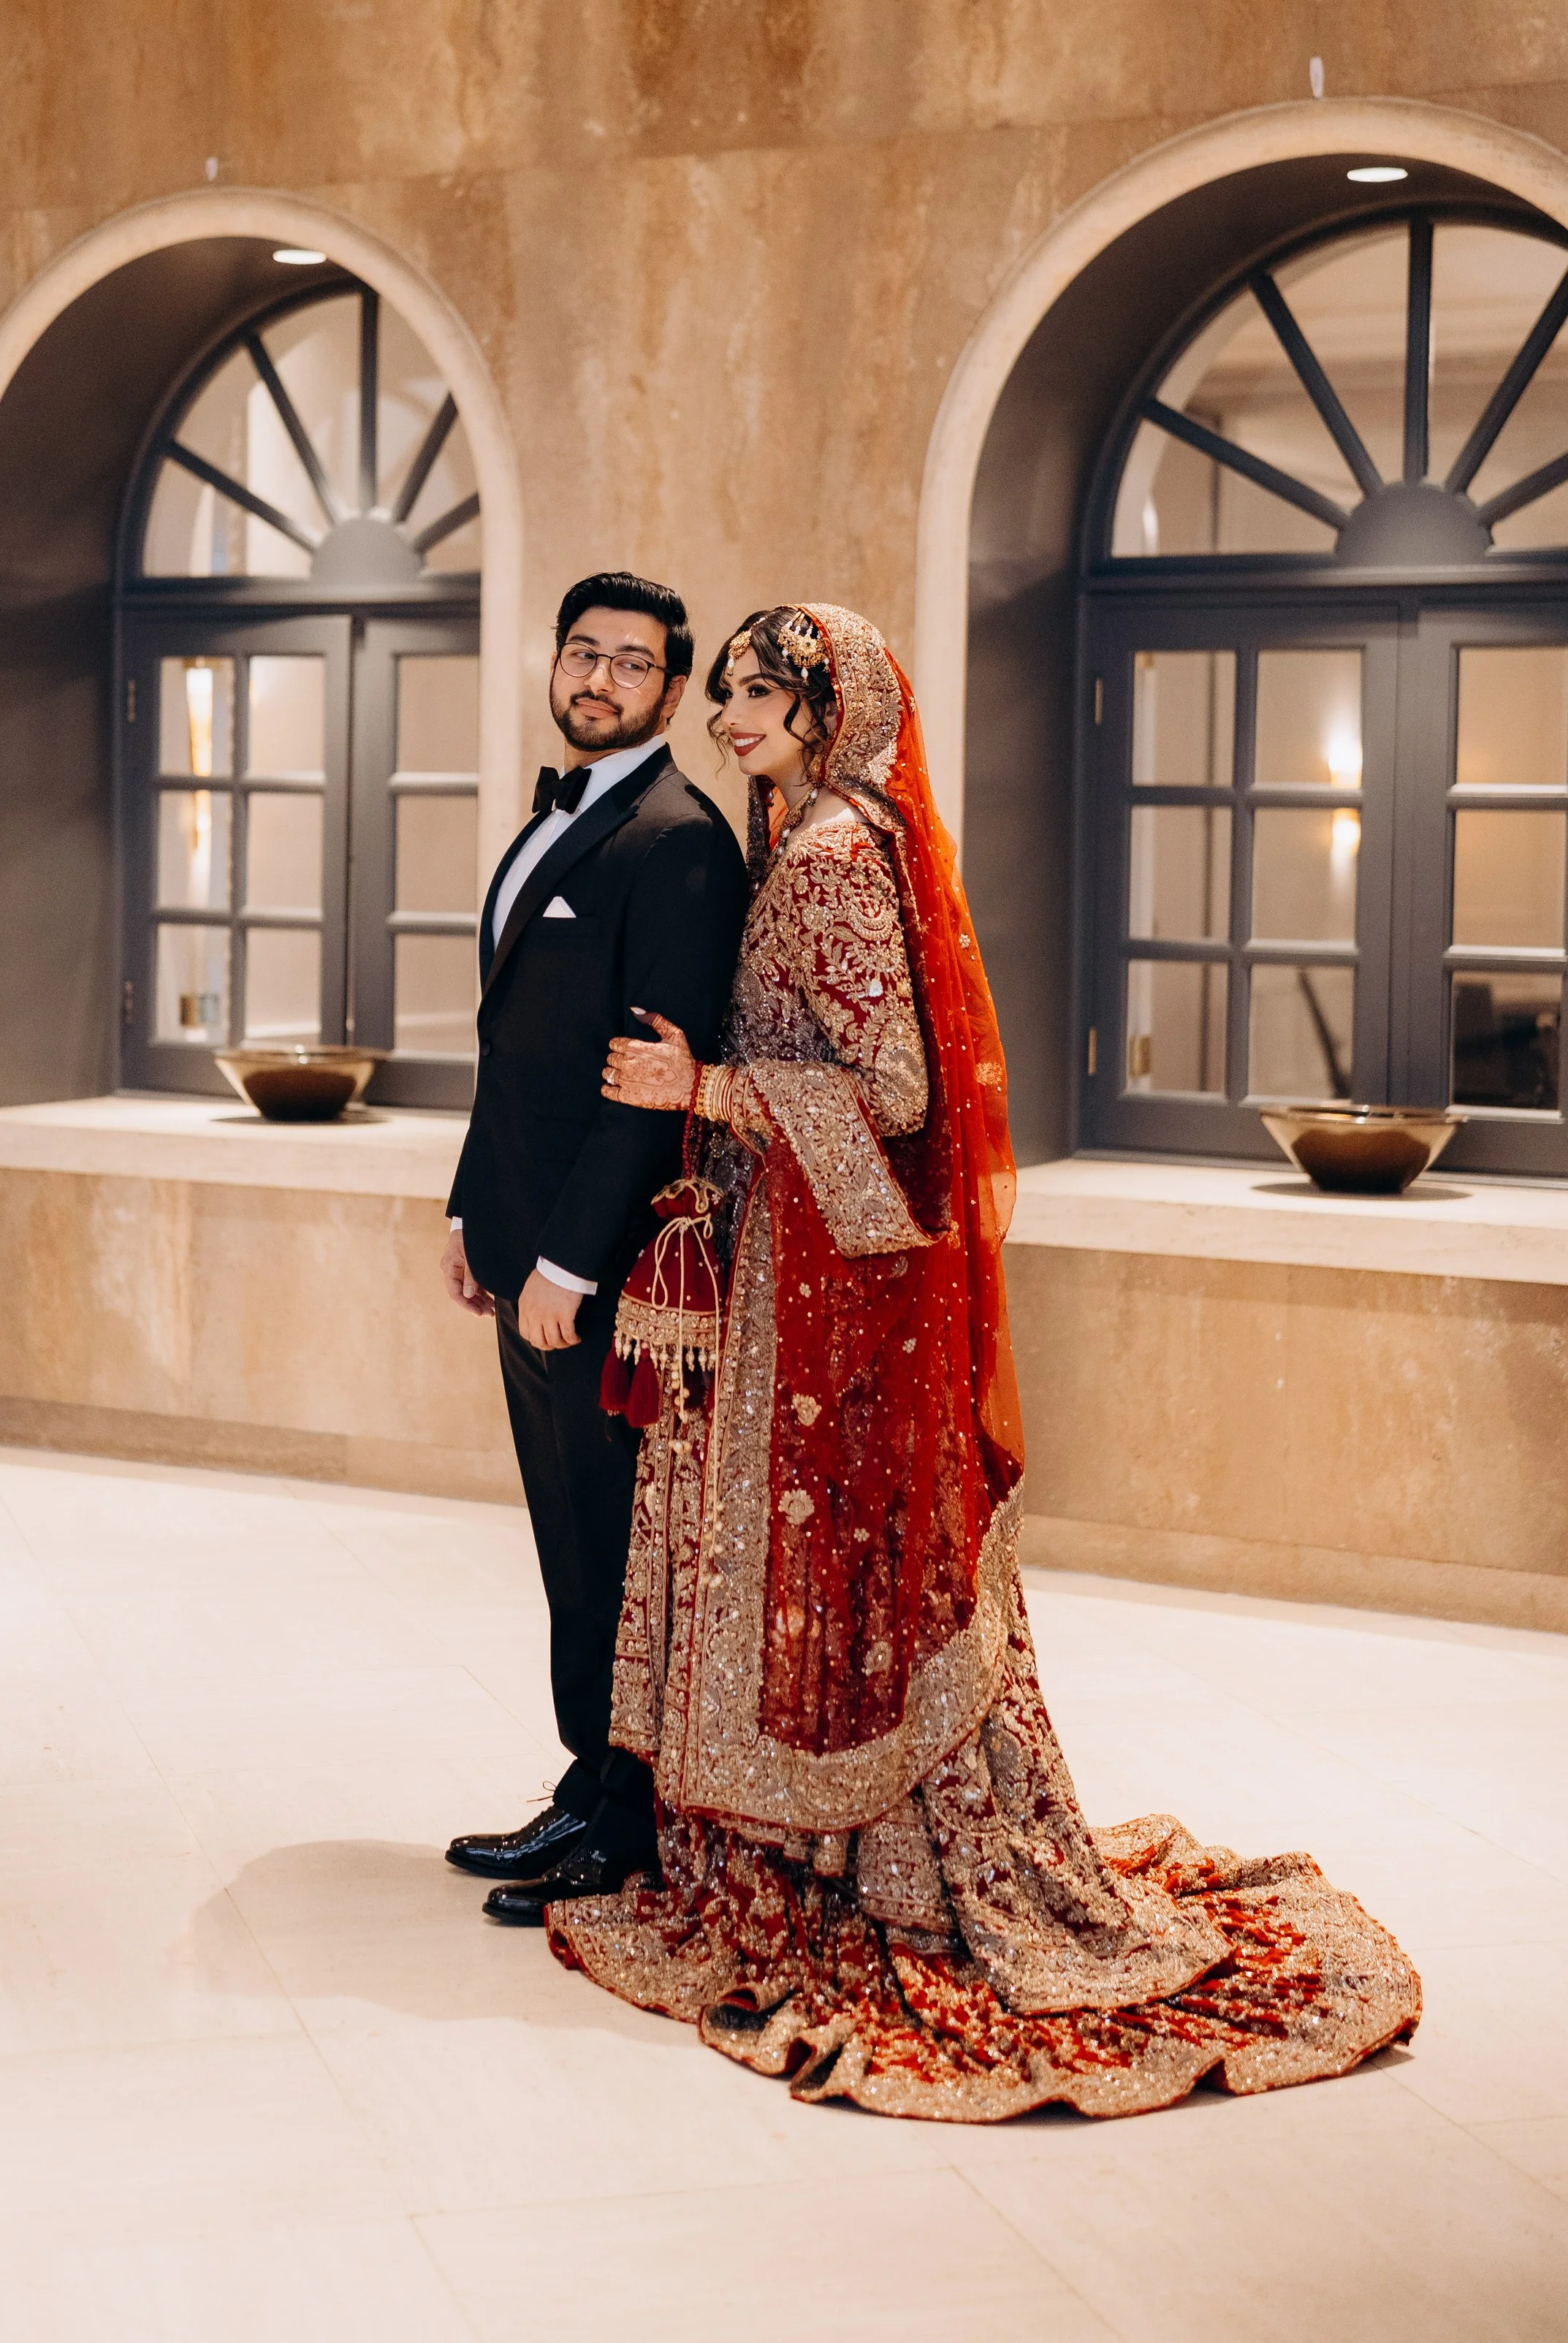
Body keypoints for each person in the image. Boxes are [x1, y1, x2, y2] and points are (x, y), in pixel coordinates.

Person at [548, 601, 1423, 2119]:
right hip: (795, 1272)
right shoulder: (808, 832)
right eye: (734, 691)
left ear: (833, 715)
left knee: (849, 1575)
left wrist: (716, 1089)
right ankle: (839, 1860)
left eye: (767, 695)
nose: (737, 714)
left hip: (822, 1288)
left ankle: (870, 1875)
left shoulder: (826, 855)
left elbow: (891, 1090)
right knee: (845, 1577)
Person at [441, 571, 750, 1924]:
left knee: (620, 1535)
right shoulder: (549, 818)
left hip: (602, 1263)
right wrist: (473, 1215)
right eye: (585, 653)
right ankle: (587, 1778)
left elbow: (648, 1079)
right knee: (565, 1529)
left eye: (633, 663)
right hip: (520, 1238)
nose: (601, 678)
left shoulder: (680, 840)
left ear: (671, 692)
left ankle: (629, 1817)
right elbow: (512, 1052)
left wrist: (569, 1264)